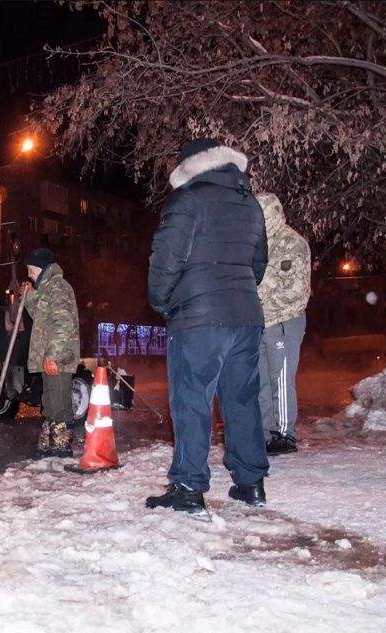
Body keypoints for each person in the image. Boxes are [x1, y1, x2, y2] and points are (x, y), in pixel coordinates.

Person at [145, 138, 270, 514]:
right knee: (242, 400)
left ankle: (187, 486)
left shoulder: (188, 199)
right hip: (246, 316)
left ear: (189, 168)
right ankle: (251, 484)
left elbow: (165, 259)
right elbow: (258, 261)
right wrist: (239, 294)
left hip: (198, 318)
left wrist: (162, 302)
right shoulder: (251, 204)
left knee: (192, 400)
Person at [255, 193, 311, 456]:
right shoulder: (256, 244)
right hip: (260, 323)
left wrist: (261, 302)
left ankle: (285, 433)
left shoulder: (292, 242)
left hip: (285, 320)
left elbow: (299, 290)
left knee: (281, 377)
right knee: (261, 380)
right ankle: (265, 432)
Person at [20, 248, 81, 457]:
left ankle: (61, 445)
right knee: (49, 400)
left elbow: (63, 323)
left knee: (59, 401)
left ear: (42, 268)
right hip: (49, 356)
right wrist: (28, 297)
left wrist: (52, 355)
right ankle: (49, 443)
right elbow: (40, 318)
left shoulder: (58, 288)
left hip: (59, 357)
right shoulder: (46, 290)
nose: (29, 274)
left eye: (31, 269)